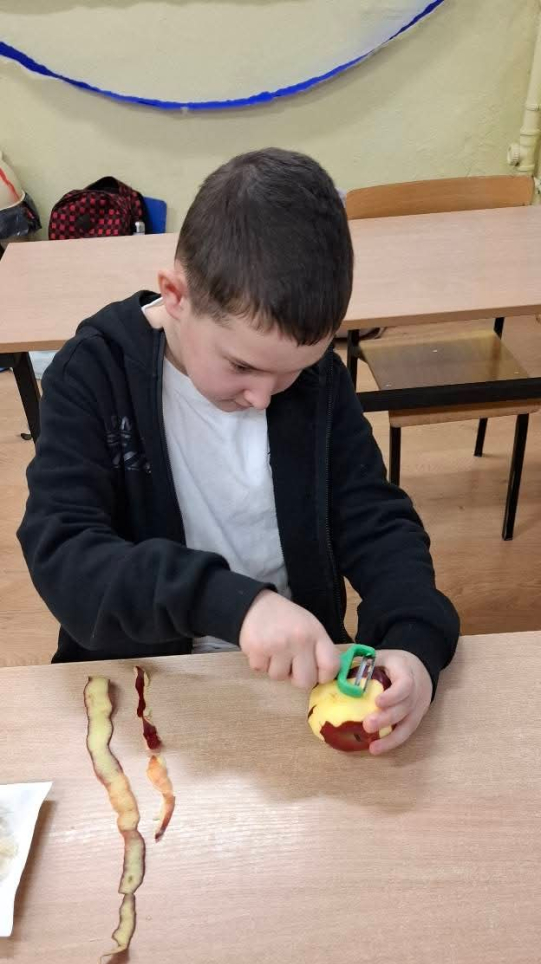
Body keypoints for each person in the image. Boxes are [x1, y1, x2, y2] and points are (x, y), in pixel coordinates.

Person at [18, 148, 459, 755]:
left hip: (294, 684)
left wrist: (412, 642)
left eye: (291, 371)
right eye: (243, 367)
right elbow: (65, 557)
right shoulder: (92, 375)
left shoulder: (316, 382)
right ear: (175, 294)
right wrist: (234, 604)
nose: (263, 397)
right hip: (147, 683)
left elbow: (375, 521)